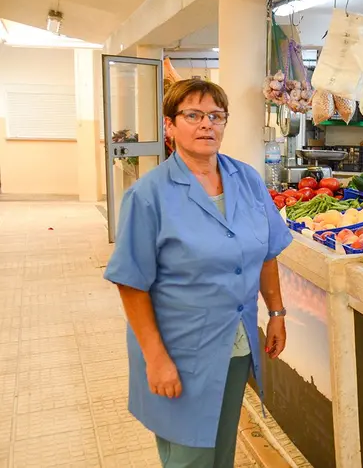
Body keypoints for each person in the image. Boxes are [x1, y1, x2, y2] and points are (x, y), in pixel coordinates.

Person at [104, 79, 294, 467]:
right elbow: (131, 282)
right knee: (188, 455)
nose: (206, 124)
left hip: (235, 342)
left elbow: (267, 252)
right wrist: (156, 359)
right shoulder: (148, 195)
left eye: (216, 116)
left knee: (221, 448)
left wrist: (276, 312)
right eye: (193, 115)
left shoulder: (247, 180)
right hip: (181, 348)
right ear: (170, 126)